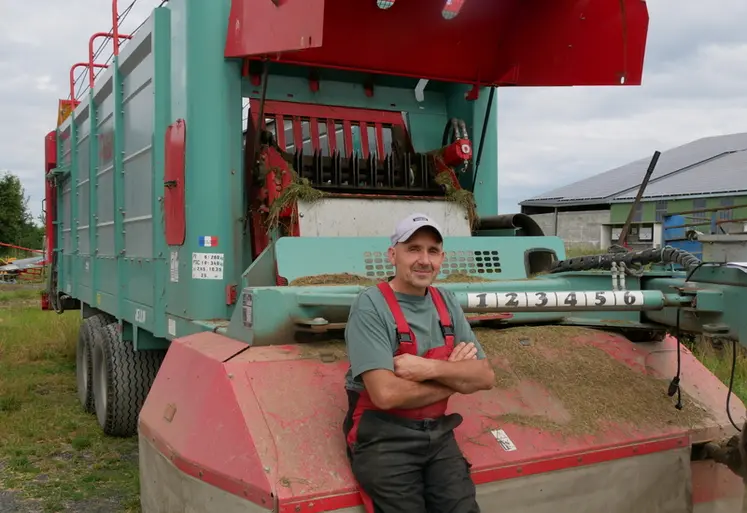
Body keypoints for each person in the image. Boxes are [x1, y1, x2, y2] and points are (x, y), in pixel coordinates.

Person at [342, 213, 495, 513]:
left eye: (433, 250)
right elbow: (386, 395)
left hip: (438, 435)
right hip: (384, 439)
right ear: (392, 254)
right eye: (413, 248)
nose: (424, 260)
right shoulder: (370, 306)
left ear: (442, 258)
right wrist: (456, 380)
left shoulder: (446, 302)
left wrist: (430, 369)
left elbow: (485, 376)